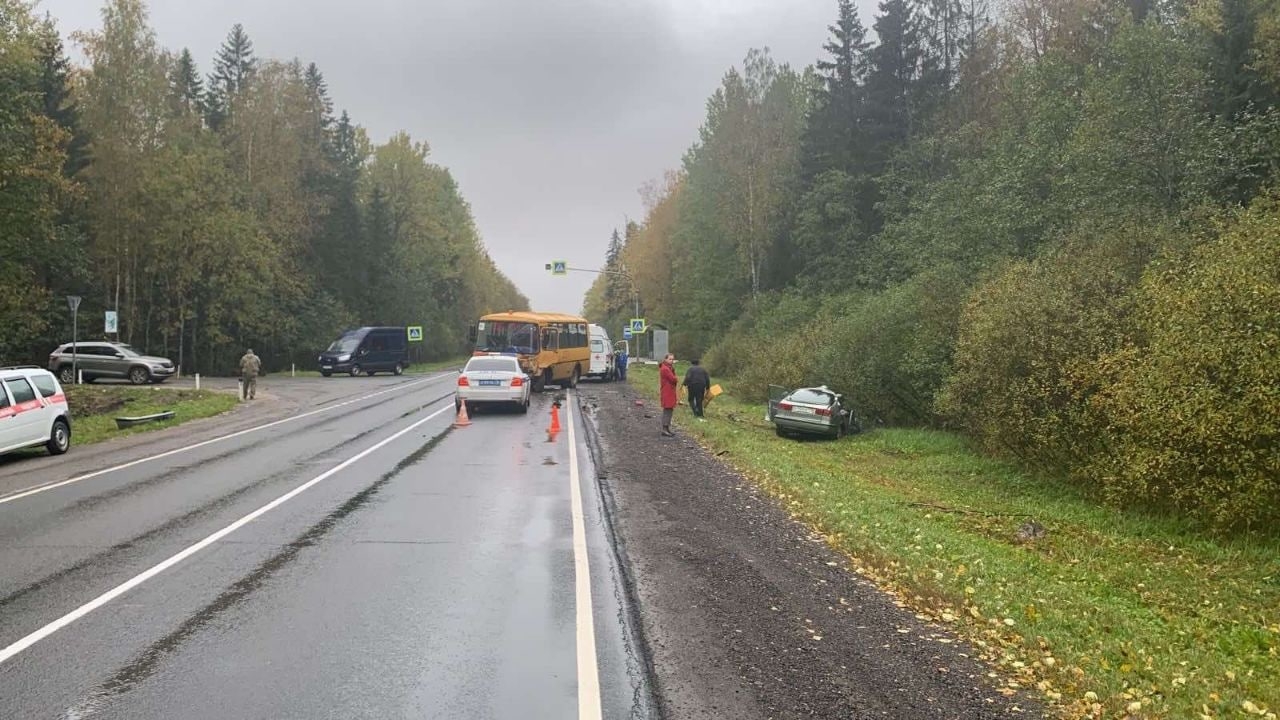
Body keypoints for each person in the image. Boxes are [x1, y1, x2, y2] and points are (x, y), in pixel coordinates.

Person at [659, 352, 678, 437]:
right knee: (667, 410)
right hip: (667, 392)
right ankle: (664, 429)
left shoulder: (669, 368)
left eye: (672, 359)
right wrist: (676, 377)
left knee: (669, 410)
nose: (671, 361)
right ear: (666, 359)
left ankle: (667, 428)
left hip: (669, 391)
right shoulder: (665, 369)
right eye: (670, 359)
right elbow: (673, 379)